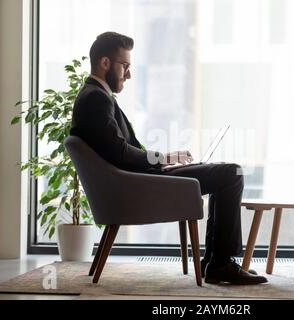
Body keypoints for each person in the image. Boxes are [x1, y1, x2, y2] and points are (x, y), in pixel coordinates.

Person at [71, 32, 267, 285]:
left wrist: (166, 160)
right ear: (105, 63)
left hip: (138, 179)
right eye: (125, 66)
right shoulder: (96, 99)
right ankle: (219, 263)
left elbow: (121, 151)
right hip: (138, 186)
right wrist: (162, 158)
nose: (129, 74)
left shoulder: (95, 95)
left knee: (220, 172)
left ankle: (216, 261)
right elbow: (119, 153)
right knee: (231, 173)